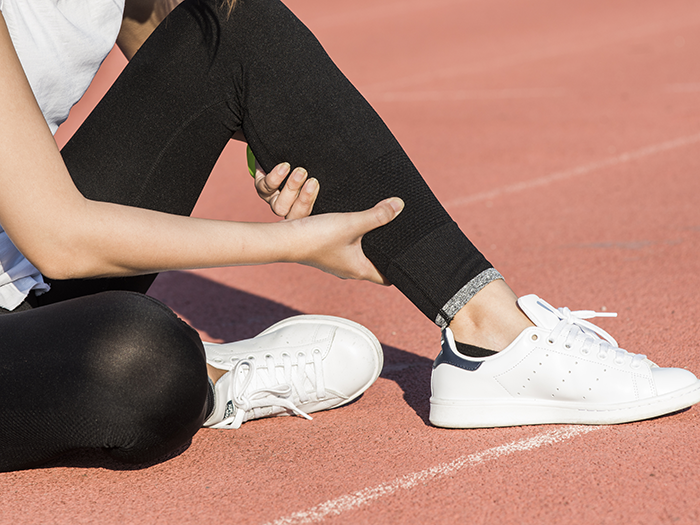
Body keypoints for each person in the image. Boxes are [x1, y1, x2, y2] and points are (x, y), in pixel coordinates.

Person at [1, 0, 698, 472]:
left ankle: (494, 337)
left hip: (22, 273)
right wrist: (295, 242)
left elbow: (176, 55)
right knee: (144, 357)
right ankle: (211, 376)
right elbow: (61, 237)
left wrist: (270, 146)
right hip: (42, 261)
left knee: (233, 26)